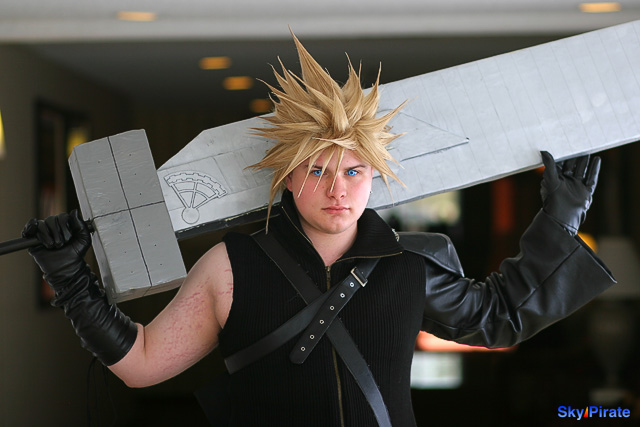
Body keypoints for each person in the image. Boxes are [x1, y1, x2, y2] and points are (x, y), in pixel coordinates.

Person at [23, 34, 615, 426]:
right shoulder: (231, 267)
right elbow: (142, 361)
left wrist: (559, 220)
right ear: (288, 176)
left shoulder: (409, 264)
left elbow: (500, 316)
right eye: (318, 170)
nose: (338, 189)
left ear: (374, 176)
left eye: (353, 171)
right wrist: (71, 280)